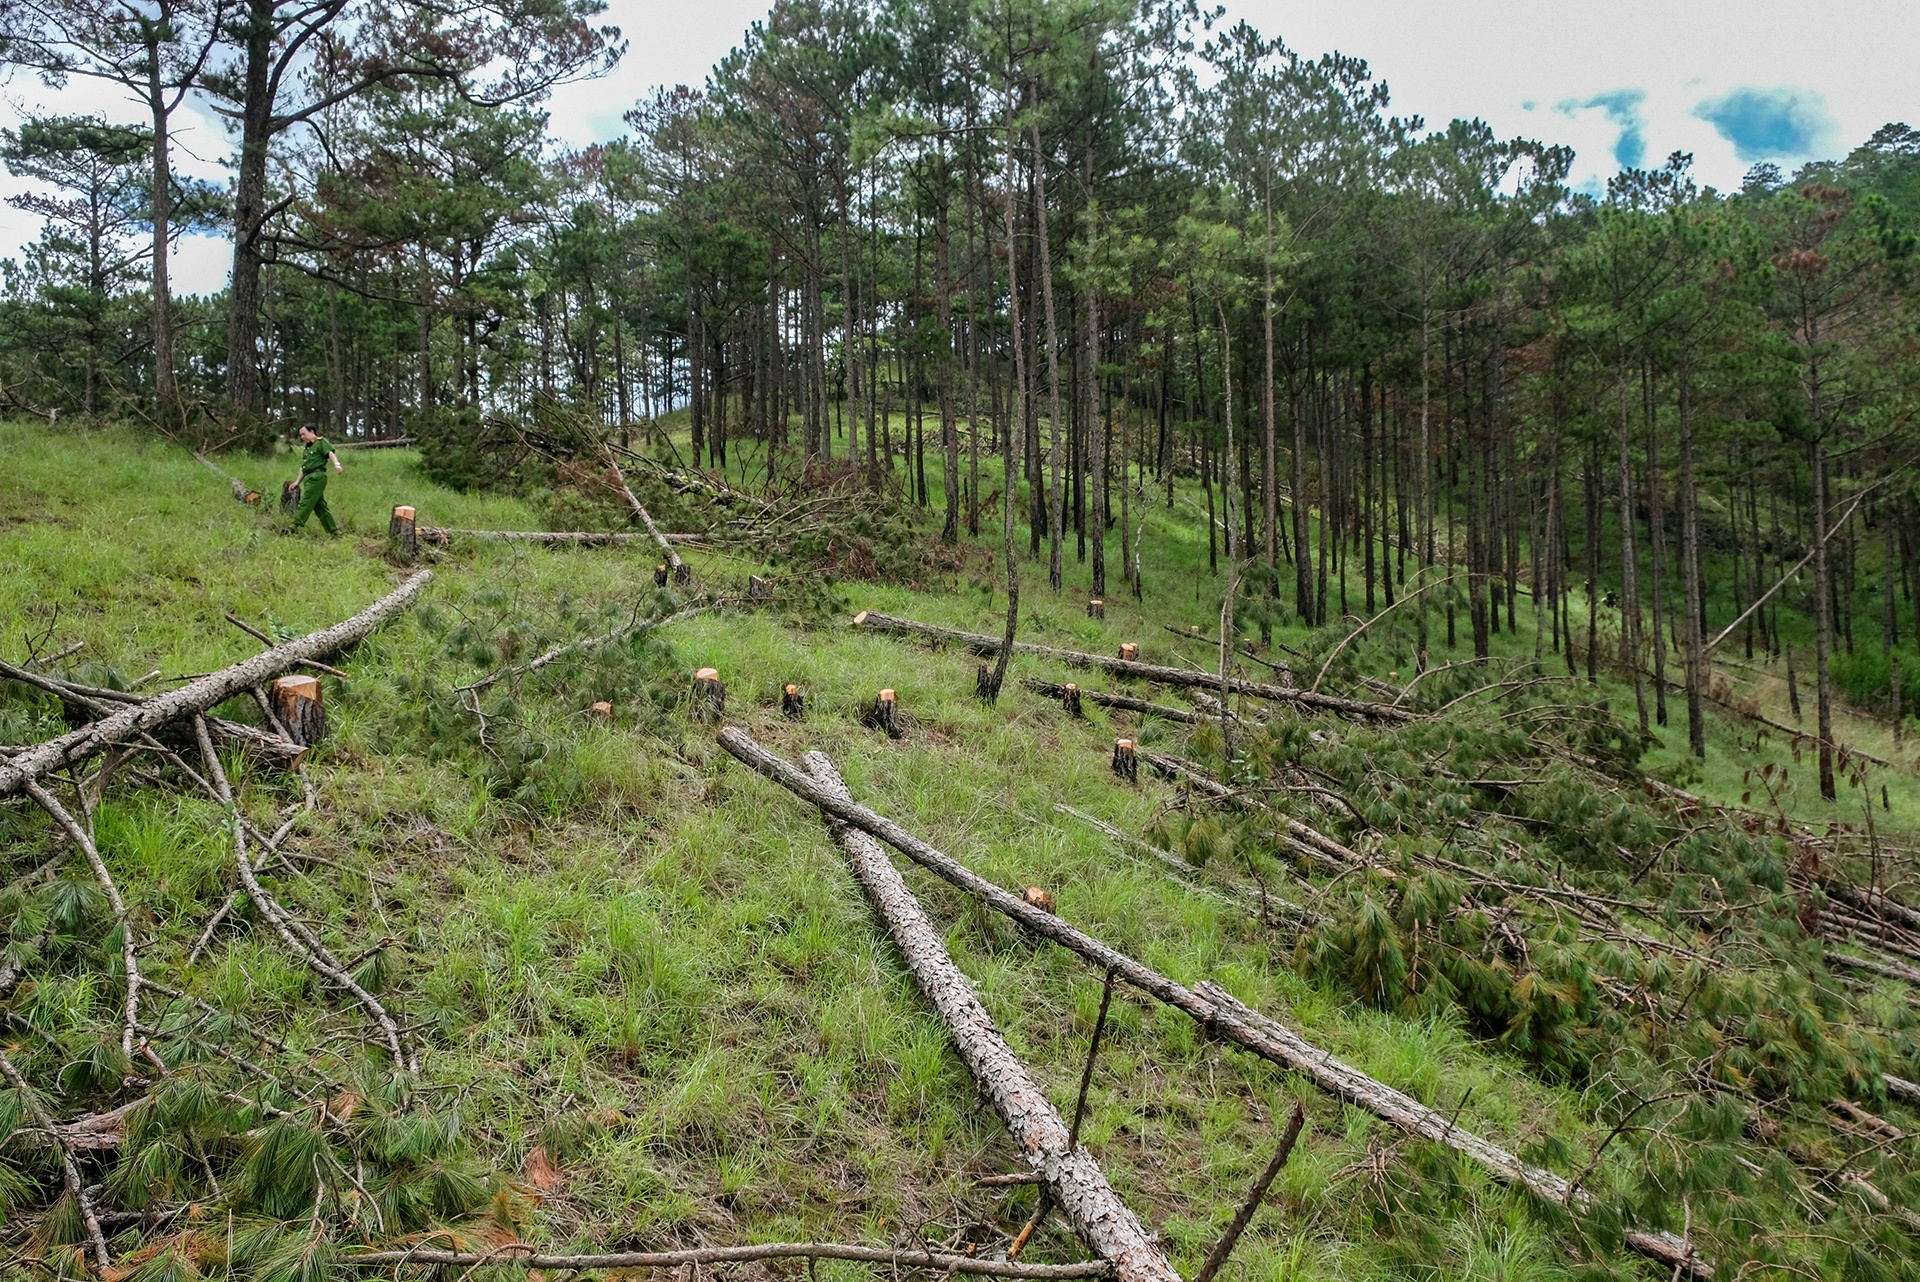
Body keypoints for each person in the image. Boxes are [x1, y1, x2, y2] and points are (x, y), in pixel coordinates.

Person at [287, 425, 344, 535]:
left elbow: (330, 453)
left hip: (317, 477)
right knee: (320, 506)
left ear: (312, 431)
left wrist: (337, 465)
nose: (302, 437)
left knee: (306, 501)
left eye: (304, 434)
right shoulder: (308, 448)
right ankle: (334, 531)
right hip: (308, 478)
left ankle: (294, 526)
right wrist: (297, 482)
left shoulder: (321, 442)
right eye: (300, 435)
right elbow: (304, 467)